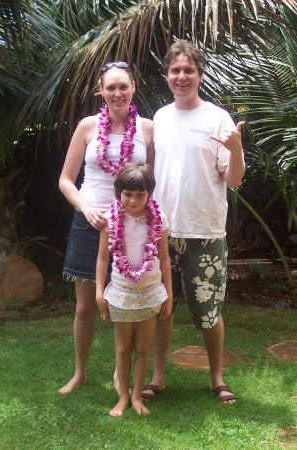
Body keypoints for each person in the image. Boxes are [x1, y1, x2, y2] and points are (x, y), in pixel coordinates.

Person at [142, 40, 245, 404]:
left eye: (189, 70)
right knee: (160, 307)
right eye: (175, 70)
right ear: (167, 76)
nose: (181, 76)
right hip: (162, 232)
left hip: (205, 230)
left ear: (200, 74)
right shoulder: (161, 117)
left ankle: (217, 378)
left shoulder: (218, 118)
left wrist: (235, 150)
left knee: (209, 311)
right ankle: (157, 378)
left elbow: (233, 179)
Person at [58, 61, 154, 394]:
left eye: (122, 86)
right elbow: (66, 180)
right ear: (101, 90)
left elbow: (152, 182)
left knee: (127, 306)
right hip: (90, 222)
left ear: (133, 87)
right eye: (110, 87)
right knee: (85, 306)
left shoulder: (147, 129)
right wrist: (85, 209)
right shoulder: (87, 126)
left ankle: (120, 375)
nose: (117, 93)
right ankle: (80, 372)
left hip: (131, 227)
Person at [96, 162, 172, 417]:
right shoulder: (111, 218)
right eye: (128, 194)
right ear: (119, 193)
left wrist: (168, 296)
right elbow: (102, 259)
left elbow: (164, 259)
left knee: (142, 348)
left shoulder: (158, 219)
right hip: (121, 292)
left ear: (149, 194)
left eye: (140, 194)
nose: (134, 200)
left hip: (151, 292)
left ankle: (138, 396)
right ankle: (123, 396)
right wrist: (99, 292)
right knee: (122, 348)